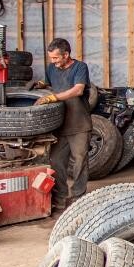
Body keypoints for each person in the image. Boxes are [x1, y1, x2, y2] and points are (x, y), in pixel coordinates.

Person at [29, 38, 92, 212]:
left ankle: (78, 197)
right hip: (59, 124)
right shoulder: (52, 68)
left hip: (79, 123)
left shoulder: (80, 67)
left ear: (66, 54)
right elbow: (50, 82)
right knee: (56, 161)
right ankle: (61, 196)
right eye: (51, 59)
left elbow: (78, 90)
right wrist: (40, 84)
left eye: (56, 58)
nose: (53, 62)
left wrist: (53, 97)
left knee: (79, 161)